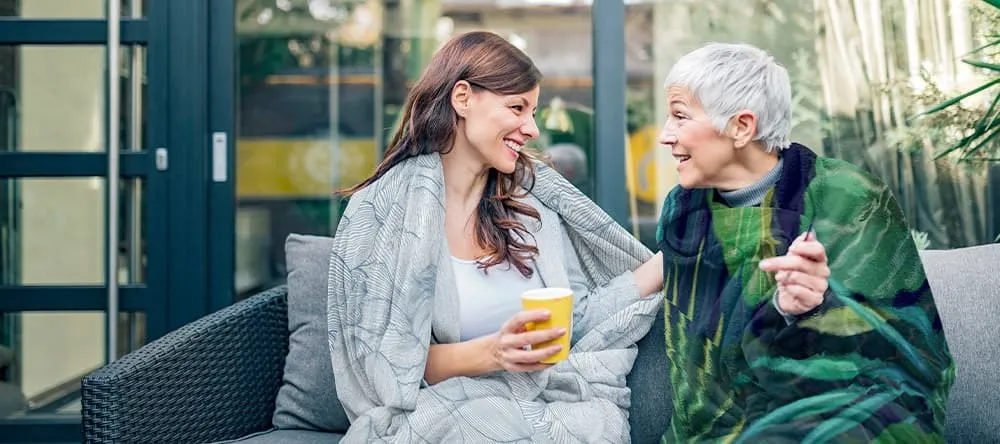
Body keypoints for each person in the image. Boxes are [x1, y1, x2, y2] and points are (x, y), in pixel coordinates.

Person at [326, 31, 664, 442]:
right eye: (517, 107)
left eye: (534, 111)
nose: (532, 128)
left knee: (597, 423)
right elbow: (384, 367)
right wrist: (494, 353)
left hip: (547, 400)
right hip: (450, 411)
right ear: (463, 98)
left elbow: (579, 321)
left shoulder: (533, 204)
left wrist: (673, 259)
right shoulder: (385, 212)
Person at [653, 42, 954, 443]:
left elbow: (911, 355)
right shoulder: (684, 213)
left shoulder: (847, 197)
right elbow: (706, 366)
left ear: (742, 127)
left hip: (851, 419)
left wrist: (815, 308)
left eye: (679, 116)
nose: (663, 136)